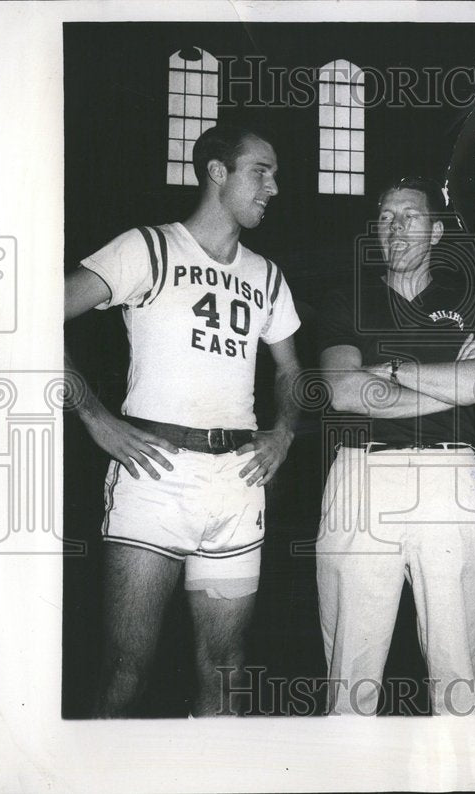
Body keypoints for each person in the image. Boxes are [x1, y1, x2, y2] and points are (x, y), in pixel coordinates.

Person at [64, 124, 302, 717]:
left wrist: (285, 430)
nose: (273, 186)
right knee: (126, 667)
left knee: (226, 665)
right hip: (156, 475)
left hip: (238, 482)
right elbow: (31, 313)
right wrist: (94, 416)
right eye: (261, 171)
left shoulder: (267, 276)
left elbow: (291, 372)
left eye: (274, 174)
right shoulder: (148, 248)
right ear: (217, 172)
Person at [316, 176, 475, 715]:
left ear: (437, 231)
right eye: (385, 216)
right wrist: (450, 384)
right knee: (350, 671)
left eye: (409, 216)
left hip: (452, 482)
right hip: (361, 478)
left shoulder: (468, 300)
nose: (394, 226)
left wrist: (394, 369)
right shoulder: (345, 297)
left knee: (457, 667)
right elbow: (345, 392)